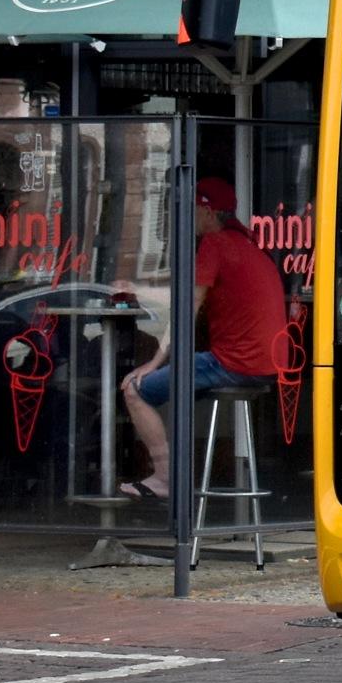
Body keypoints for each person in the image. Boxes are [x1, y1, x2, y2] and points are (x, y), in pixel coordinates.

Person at [120, 181, 287, 501]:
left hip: (235, 364)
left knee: (135, 390)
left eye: (193, 209)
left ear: (208, 212)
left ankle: (165, 478)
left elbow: (188, 309)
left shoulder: (215, 243)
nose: (188, 217)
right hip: (267, 365)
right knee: (176, 379)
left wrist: (154, 363)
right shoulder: (251, 244)